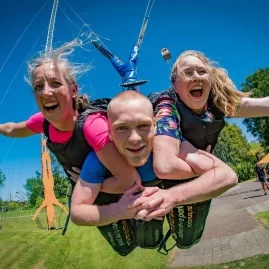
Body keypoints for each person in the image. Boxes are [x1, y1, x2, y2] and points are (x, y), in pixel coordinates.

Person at [71, 90, 238, 256]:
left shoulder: (170, 145)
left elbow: (227, 176)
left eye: (143, 126)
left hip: (170, 190)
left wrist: (171, 197)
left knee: (186, 240)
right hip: (129, 205)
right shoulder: (99, 159)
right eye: (122, 128)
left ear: (155, 126)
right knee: (143, 242)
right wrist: (120, 211)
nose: (134, 138)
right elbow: (77, 212)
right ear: (110, 133)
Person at [133, 50, 269, 251]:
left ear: (210, 79)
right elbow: (165, 166)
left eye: (201, 71)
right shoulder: (166, 107)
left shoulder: (217, 102)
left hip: (192, 171)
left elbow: (262, 105)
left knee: (187, 239)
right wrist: (206, 168)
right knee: (147, 238)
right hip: (154, 179)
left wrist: (201, 165)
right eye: (188, 73)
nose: (196, 76)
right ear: (174, 84)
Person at [0, 40, 142, 192]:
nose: (46, 92)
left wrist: (89, 183)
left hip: (121, 197)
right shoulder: (43, 122)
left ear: (73, 90)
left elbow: (130, 180)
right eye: (38, 86)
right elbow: (13, 129)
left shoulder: (93, 126)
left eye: (55, 83)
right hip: (88, 197)